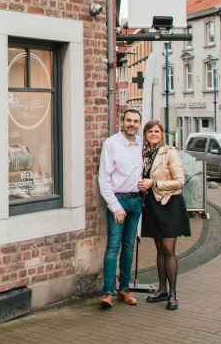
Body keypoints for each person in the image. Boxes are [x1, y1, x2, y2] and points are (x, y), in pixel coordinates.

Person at [137, 120, 191, 311]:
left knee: (169, 249)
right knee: (159, 248)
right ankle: (161, 290)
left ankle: (173, 294)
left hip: (168, 203)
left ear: (162, 134)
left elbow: (180, 181)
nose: (153, 134)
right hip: (151, 204)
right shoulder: (142, 153)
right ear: (145, 134)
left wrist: (155, 184)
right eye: (149, 131)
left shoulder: (170, 153)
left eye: (156, 131)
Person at [98, 109, 143, 308]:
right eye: (129, 120)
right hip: (119, 201)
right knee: (113, 247)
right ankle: (108, 292)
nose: (132, 124)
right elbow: (104, 179)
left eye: (136, 121)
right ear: (122, 121)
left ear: (139, 124)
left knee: (129, 247)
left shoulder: (142, 144)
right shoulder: (112, 144)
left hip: (136, 202)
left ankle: (124, 290)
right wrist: (115, 206)